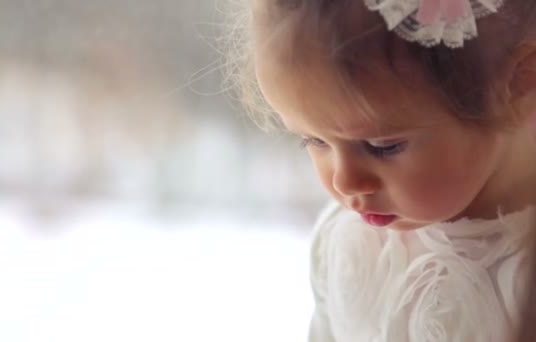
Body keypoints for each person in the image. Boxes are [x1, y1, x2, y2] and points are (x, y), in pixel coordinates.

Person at [227, 0, 536, 340]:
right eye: (313, 141)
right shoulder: (346, 240)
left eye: (383, 147)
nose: (344, 183)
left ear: (519, 84)